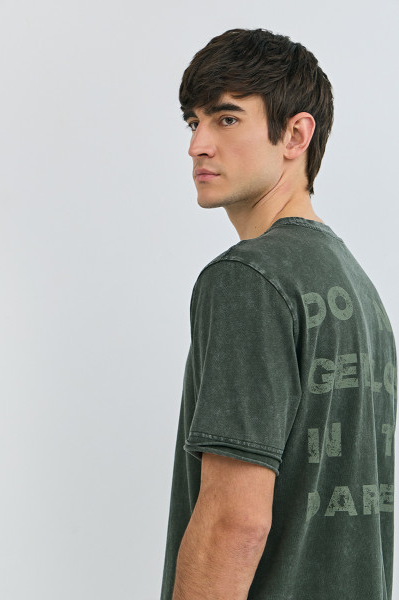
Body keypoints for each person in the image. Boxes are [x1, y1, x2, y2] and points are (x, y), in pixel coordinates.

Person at [159, 28, 397, 600]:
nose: (198, 145)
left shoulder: (248, 278)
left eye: (227, 118)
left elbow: (233, 523)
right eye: (194, 122)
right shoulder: (359, 291)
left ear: (295, 134)